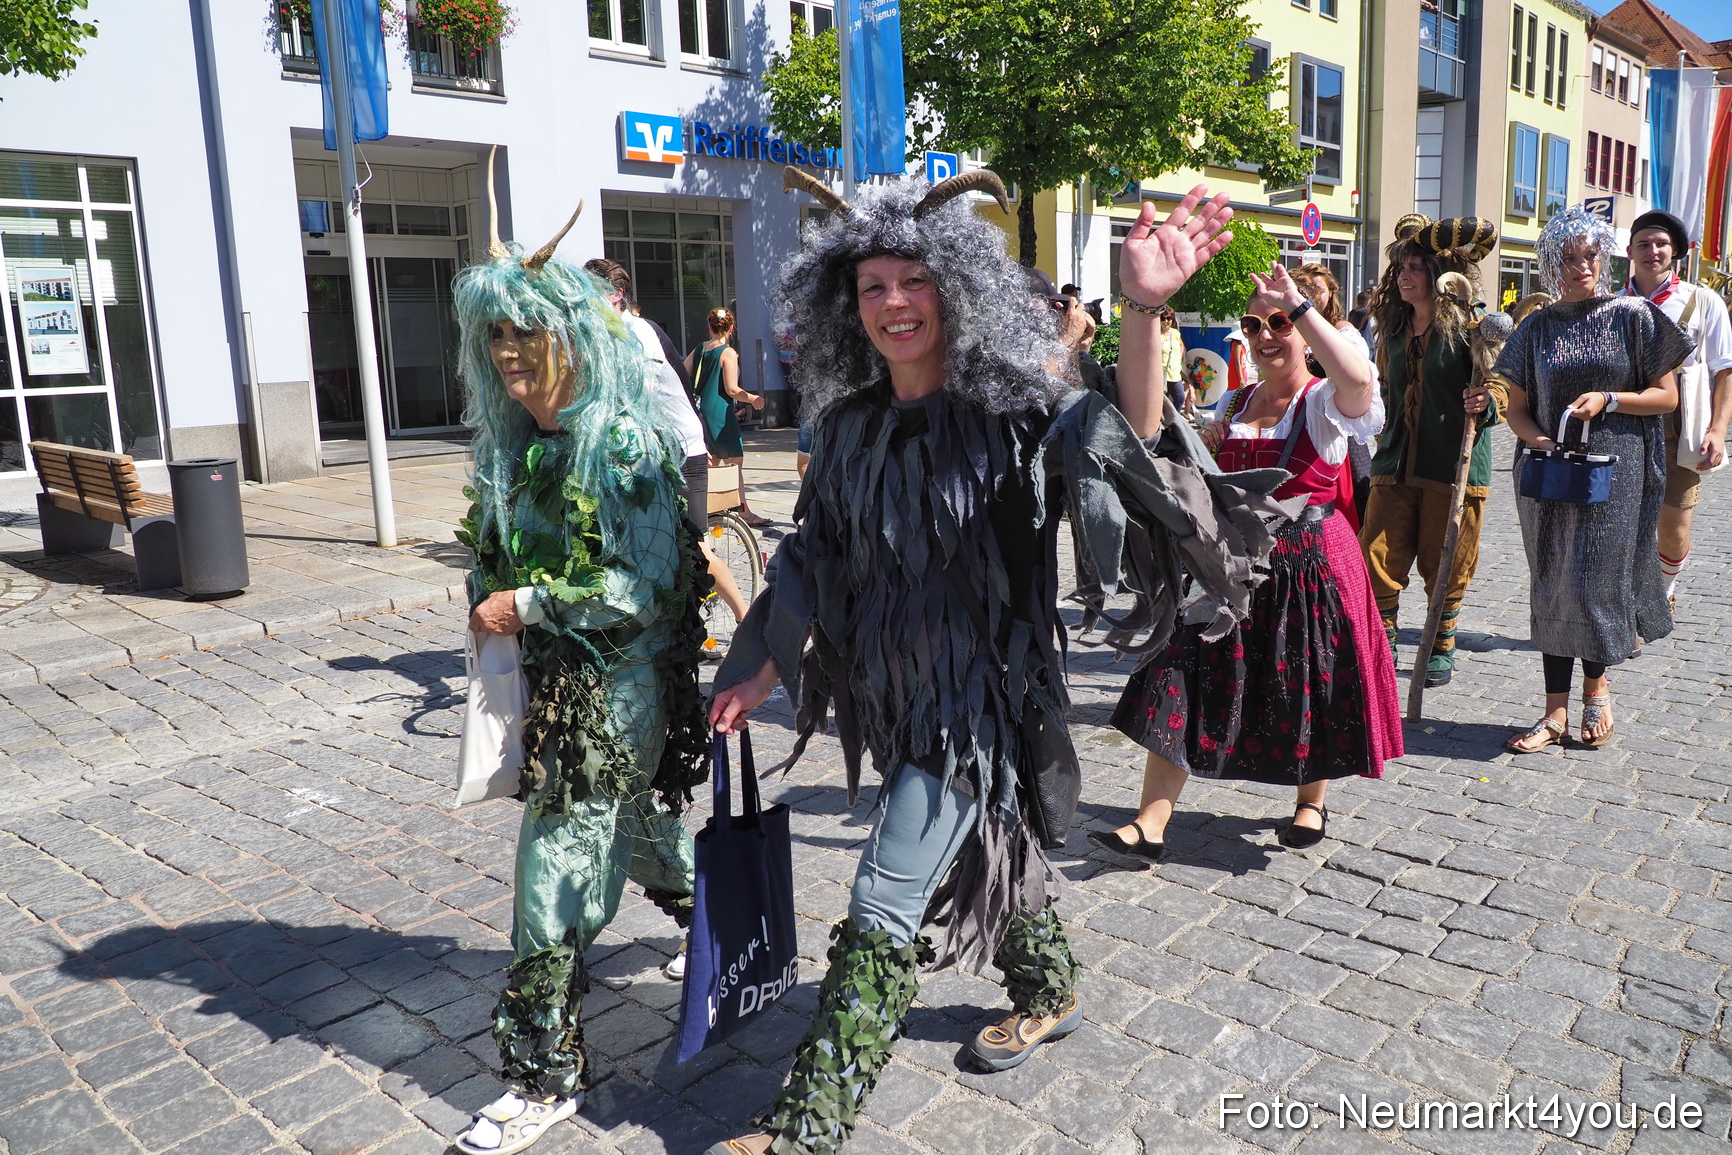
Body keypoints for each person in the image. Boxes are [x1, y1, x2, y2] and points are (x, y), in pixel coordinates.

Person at [705, 167, 1278, 1155]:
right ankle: (1050, 988)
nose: (893, 302)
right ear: (848, 302)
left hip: (983, 704)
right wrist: (758, 661)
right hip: (893, 696)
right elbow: (814, 551)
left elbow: (1123, 442)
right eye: (873, 285)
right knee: (990, 858)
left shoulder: (1014, 408)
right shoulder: (845, 426)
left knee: (886, 895)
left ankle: (807, 1127)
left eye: (914, 281)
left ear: (954, 288)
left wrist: (1142, 308)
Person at [451, 212, 712, 1153]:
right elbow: (497, 550)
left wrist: (527, 603)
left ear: (572, 335)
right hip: (555, 684)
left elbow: (643, 589)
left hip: (618, 691)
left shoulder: (628, 451)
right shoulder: (517, 446)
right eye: (499, 336)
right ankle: (708, 918)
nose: (512, 352)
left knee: (552, 869)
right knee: (637, 826)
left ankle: (544, 1073)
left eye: (529, 331)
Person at [1100, 259, 1402, 856]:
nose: (1267, 336)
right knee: (1181, 670)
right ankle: (1151, 822)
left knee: (1309, 679)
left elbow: (1360, 382)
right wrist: (1203, 444)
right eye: (1254, 324)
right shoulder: (1233, 403)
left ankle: (1310, 801)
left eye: (1279, 325)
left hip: (1311, 561)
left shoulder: (1323, 401)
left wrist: (1299, 308)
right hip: (1231, 563)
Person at [1491, 205, 1692, 752]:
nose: (1580, 266)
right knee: (1553, 580)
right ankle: (1553, 713)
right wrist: (1537, 440)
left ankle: (1596, 692)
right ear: (1551, 266)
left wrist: (1609, 399)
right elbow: (1515, 404)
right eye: (1568, 258)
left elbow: (1666, 396)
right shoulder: (1536, 327)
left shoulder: (1634, 316)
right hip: (1551, 471)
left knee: (1597, 582)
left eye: (1589, 256)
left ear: (1603, 259)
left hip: (1617, 469)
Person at [1351, 216, 1505, 687]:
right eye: (1401, 266)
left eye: (1417, 267)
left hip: (1452, 464)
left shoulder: (1470, 326)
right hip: (1394, 462)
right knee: (1377, 551)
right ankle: (1384, 638)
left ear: (1439, 275)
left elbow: (1503, 383)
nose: (1405, 274)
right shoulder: (1391, 331)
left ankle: (1441, 642)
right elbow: (1382, 388)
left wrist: (1489, 399)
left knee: (1448, 557)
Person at [584, 258, 750, 629]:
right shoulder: (607, 335)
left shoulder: (637, 332)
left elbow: (637, 395)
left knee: (695, 547)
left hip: (679, 450)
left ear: (617, 296)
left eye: (592, 295)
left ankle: (747, 619)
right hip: (650, 452)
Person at [1621, 209, 1732, 605]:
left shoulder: (1703, 302)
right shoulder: (1613, 303)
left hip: (1681, 424)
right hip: (1625, 424)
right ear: (1630, 251)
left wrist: (1717, 430)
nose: (1653, 251)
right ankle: (1632, 601)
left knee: (1673, 525)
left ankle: (1664, 588)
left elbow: (1724, 372)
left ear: (1676, 251)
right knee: (1625, 523)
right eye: (1644, 244)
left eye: (1662, 244)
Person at [1291, 262, 1377, 529]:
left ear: (1331, 294)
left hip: (1336, 424)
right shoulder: (1285, 327)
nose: (1314, 294)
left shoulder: (1342, 330)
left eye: (1319, 289)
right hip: (1296, 421)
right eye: (1307, 288)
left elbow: (1357, 376)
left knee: (1349, 502)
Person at [687, 308, 772, 527]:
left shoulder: (700, 349)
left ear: (709, 326)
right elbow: (732, 389)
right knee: (735, 464)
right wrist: (753, 398)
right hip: (721, 414)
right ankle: (744, 513)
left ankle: (707, 511)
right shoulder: (728, 353)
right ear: (731, 328)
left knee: (711, 462)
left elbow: (681, 371)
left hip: (702, 413)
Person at [1159, 304, 1190, 417]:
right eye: (1163, 318)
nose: (1166, 321)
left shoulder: (1175, 333)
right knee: (1161, 402)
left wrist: (1179, 358)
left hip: (1175, 373)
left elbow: (1181, 345)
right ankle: (1162, 423)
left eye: (1169, 318)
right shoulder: (1156, 335)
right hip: (1161, 373)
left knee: (1179, 398)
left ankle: (1173, 422)